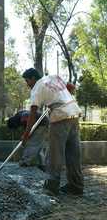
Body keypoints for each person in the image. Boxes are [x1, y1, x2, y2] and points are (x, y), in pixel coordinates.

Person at [21, 68, 83, 197]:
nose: (27, 84)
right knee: (73, 153)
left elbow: (33, 112)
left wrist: (27, 133)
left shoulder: (37, 87)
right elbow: (70, 87)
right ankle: (76, 186)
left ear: (33, 78)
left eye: (27, 81)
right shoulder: (54, 77)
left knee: (55, 153)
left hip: (60, 116)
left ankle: (51, 187)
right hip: (74, 113)